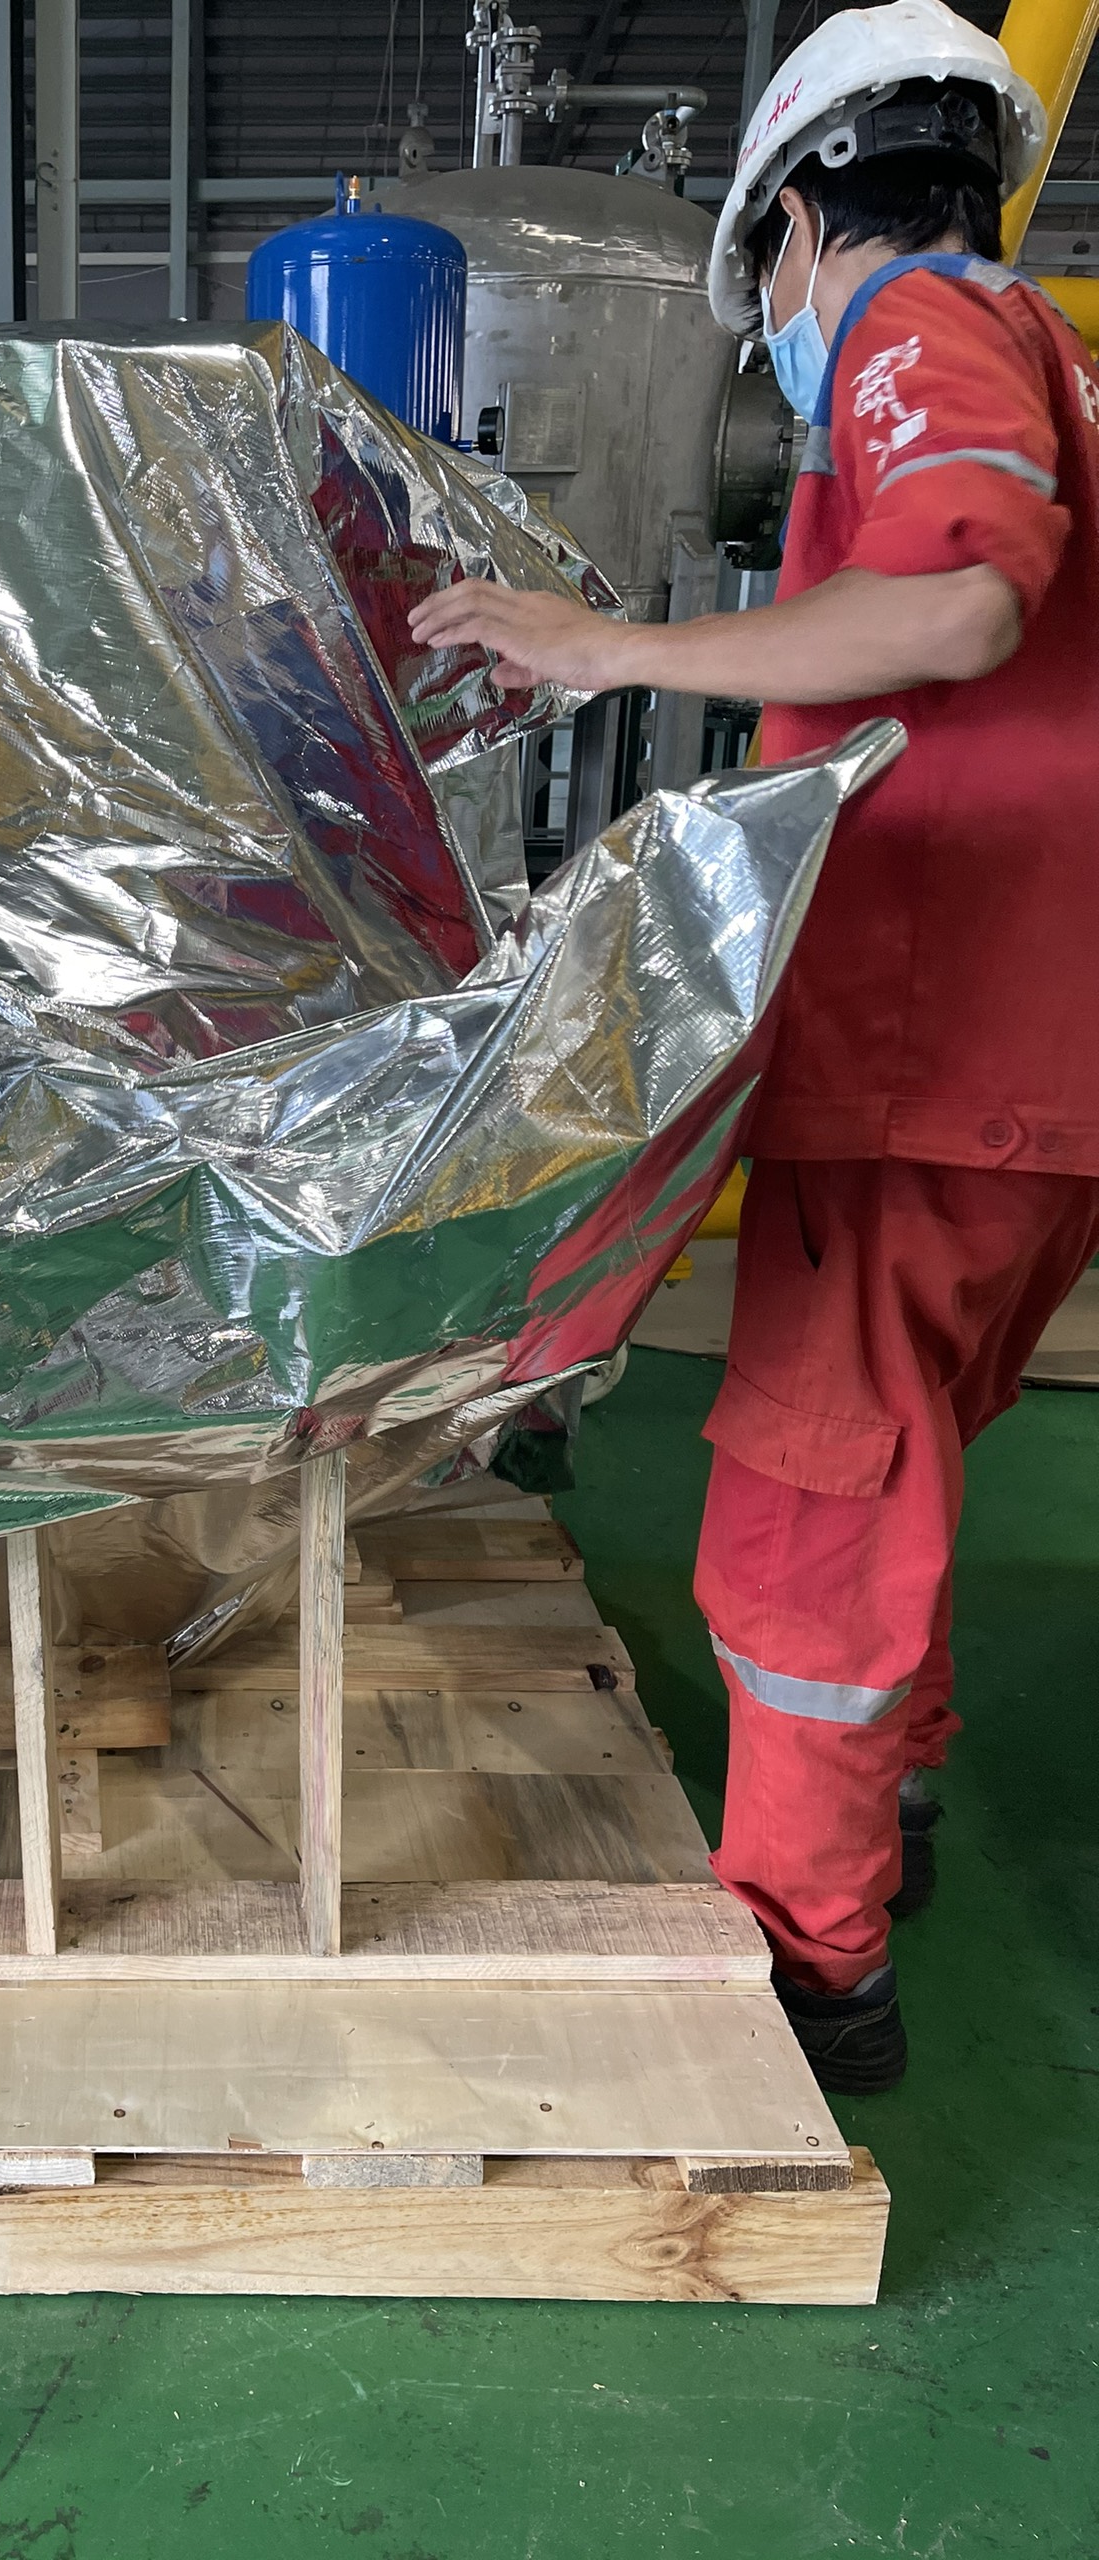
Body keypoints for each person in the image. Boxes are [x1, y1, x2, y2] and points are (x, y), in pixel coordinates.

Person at [407, 0, 1099, 2094]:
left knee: (806, 1514)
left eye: (766, 288)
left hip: (923, 1052)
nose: (780, 339)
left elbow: (960, 603)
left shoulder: (919, 322)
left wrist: (606, 646)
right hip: (1033, 1070)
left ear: (801, 221)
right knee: (905, 1458)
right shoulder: (1063, 356)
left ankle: (812, 1968)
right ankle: (892, 1801)